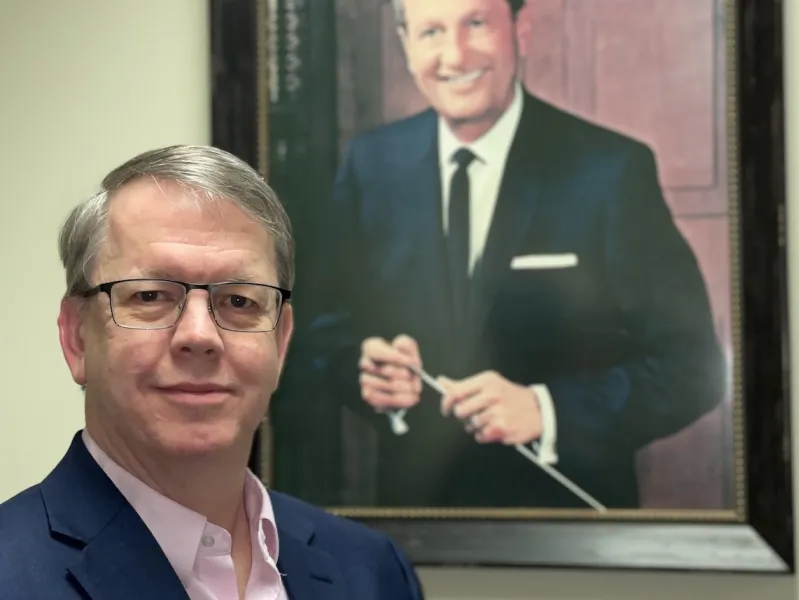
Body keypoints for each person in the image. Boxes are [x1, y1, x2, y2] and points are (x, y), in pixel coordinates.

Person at [297, 0, 725, 509]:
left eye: (475, 23)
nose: (453, 55)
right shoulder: (371, 163)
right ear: (406, 45)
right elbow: (322, 326)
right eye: (431, 31)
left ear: (520, 31)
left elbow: (694, 368)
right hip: (414, 525)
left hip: (570, 532)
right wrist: (362, 369)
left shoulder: (612, 170)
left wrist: (548, 412)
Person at [0, 145, 424, 600]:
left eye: (239, 300)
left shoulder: (374, 573)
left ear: (280, 342)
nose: (200, 335)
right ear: (76, 338)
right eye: (149, 296)